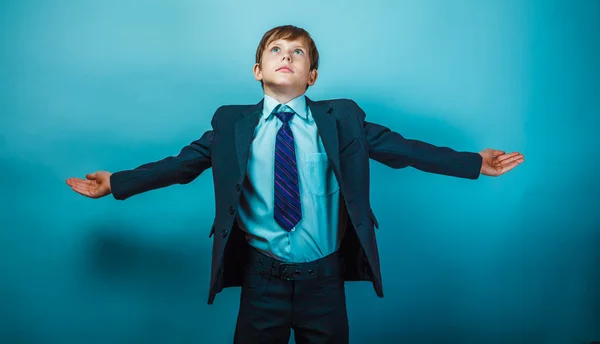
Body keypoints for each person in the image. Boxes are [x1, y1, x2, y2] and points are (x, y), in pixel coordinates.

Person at [66, 25, 525, 344]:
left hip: (323, 281)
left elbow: (401, 149)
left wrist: (472, 162)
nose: (287, 56)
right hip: (260, 279)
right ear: (257, 71)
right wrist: (117, 183)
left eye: (298, 52)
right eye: (276, 51)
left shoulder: (342, 118)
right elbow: (181, 165)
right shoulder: (230, 124)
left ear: (313, 76)